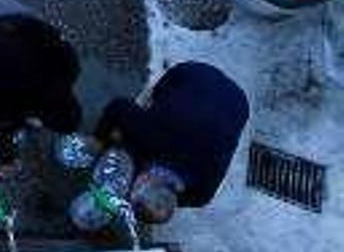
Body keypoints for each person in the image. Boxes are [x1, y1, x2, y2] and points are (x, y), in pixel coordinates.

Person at [95, 62, 249, 224]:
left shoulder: (202, 193)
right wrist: (99, 140)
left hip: (238, 103)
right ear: (144, 179)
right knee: (132, 130)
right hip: (193, 74)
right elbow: (118, 106)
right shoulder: (149, 135)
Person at [0, 0, 82, 172]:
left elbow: (50, 34)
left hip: (6, 9)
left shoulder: (70, 66)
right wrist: (6, 160)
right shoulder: (15, 99)